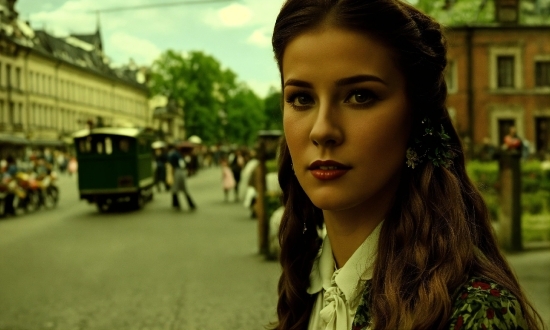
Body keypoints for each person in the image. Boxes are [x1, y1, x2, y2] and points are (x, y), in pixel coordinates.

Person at [270, 1, 543, 330]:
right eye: (301, 98)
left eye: (360, 96)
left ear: (417, 115)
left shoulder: (474, 311)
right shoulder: (308, 284)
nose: (322, 129)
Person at [168, 144, 196, 211]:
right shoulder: (179, 154)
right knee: (181, 188)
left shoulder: (172, 154)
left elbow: (170, 164)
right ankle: (187, 204)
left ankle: (177, 204)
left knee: (175, 188)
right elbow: (183, 164)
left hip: (177, 172)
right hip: (182, 171)